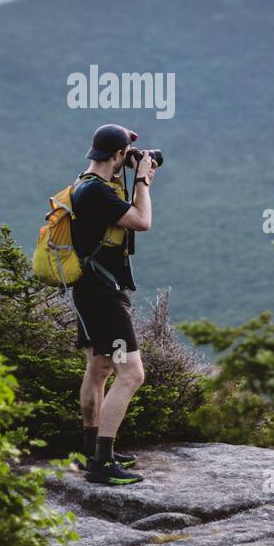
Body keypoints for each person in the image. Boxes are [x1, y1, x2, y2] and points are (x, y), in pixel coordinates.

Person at [70, 123, 158, 486]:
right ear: (119, 156)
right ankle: (102, 462)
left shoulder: (85, 183)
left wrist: (133, 177)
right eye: (129, 153)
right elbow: (142, 221)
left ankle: (92, 449)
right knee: (132, 374)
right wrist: (142, 181)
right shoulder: (97, 193)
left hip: (88, 290)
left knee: (100, 368)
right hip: (103, 293)